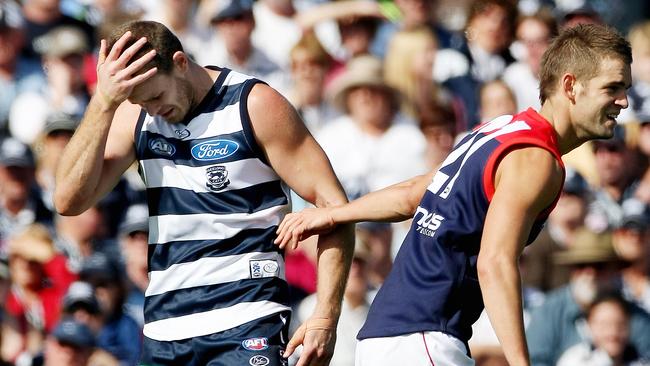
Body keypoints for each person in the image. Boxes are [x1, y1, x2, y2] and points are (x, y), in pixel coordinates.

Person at [275, 23, 633, 365]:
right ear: (571, 86)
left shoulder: (500, 128)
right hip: (425, 337)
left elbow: (415, 194)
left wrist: (337, 213)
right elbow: (494, 262)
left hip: (386, 337)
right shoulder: (537, 158)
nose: (624, 102)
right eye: (612, 88)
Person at [53, 20, 353, 365]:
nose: (152, 110)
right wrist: (103, 102)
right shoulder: (136, 113)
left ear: (180, 63)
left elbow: (334, 206)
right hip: (165, 330)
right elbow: (68, 200)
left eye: (156, 96)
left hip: (247, 318)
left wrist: (326, 317)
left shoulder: (254, 104)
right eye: (139, 101)